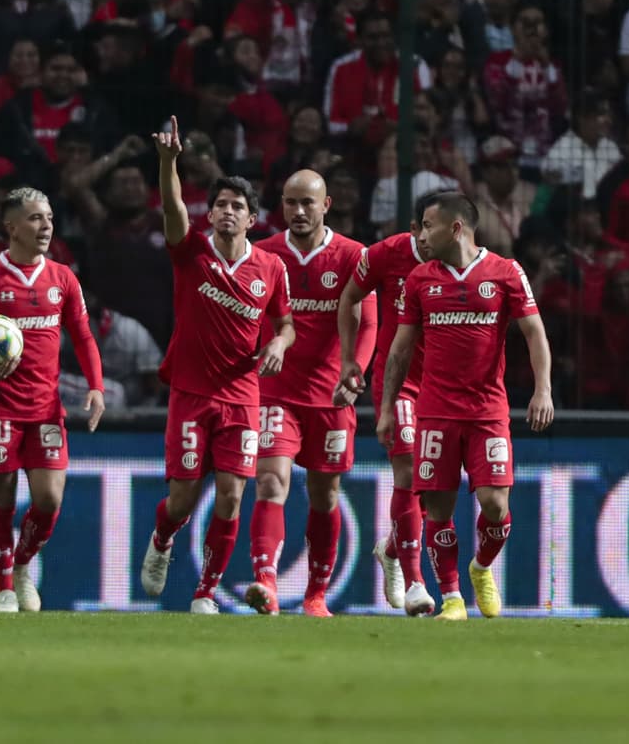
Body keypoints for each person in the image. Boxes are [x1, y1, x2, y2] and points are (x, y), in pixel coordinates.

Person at [139, 117, 295, 615]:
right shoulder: (192, 253)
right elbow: (172, 206)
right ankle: (163, 538)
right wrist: (168, 162)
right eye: (220, 204)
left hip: (242, 398)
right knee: (182, 500)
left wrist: (279, 345)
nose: (225, 211)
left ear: (252, 219)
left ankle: (206, 590)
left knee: (231, 497)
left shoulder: (271, 268)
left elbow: (287, 324)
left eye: (236, 206)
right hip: (190, 392)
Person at [375, 192, 554, 620]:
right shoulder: (420, 279)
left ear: (456, 228)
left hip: (488, 412)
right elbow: (400, 352)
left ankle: (481, 567)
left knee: (496, 507)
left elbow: (534, 333)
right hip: (434, 412)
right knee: (438, 509)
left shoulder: (506, 272)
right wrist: (386, 407)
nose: (420, 233)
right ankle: (452, 598)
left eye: (428, 225)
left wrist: (542, 390)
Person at [0, 187, 106, 613]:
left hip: (45, 410)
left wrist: (96, 385)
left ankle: (22, 567)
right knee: (1, 500)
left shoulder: (62, 278)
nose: (46, 227)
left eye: (50, 218)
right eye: (36, 218)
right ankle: (3, 589)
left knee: (49, 499)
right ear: (11, 226)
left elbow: (83, 335)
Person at [246, 170, 377, 617]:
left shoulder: (352, 256)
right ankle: (265, 581)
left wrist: (353, 370)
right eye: (290, 203)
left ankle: (315, 594)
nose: (299, 212)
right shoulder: (262, 254)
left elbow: (369, 322)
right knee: (270, 481)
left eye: (308, 203)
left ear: (327, 205)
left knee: (325, 494)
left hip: (330, 396)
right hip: (274, 391)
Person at [335, 194, 431, 614]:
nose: (433, 237)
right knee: (408, 468)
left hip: (448, 389)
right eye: (426, 227)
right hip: (401, 384)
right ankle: (415, 582)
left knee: (432, 489)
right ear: (415, 227)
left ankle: (392, 549)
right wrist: (349, 360)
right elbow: (350, 297)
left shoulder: (469, 266)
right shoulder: (385, 254)